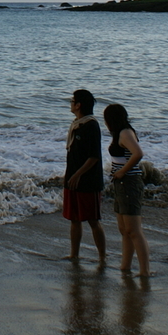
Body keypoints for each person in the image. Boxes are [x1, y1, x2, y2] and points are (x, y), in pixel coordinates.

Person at [102, 103, 153, 276]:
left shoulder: (125, 133)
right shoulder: (121, 132)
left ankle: (145, 270)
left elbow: (138, 153)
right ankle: (126, 266)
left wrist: (122, 171)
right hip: (121, 183)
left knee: (134, 230)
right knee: (124, 230)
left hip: (129, 181)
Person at [63, 89, 106, 262]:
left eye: (73, 101)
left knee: (93, 220)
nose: (71, 104)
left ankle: (102, 256)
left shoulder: (91, 125)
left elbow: (94, 157)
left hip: (88, 181)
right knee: (74, 219)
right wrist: (71, 176)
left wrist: (78, 174)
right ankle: (74, 254)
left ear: (79, 105)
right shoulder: (77, 123)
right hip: (72, 177)